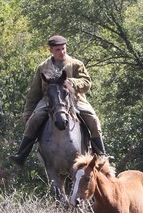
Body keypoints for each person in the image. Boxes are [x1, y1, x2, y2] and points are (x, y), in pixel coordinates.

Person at [10, 35, 106, 166]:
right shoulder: (43, 67)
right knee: (34, 119)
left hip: (74, 99)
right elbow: (34, 92)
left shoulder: (76, 64)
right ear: (51, 50)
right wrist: (28, 112)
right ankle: (21, 154)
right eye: (58, 49)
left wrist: (72, 83)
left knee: (93, 119)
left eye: (63, 48)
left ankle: (101, 154)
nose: (62, 52)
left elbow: (87, 83)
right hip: (49, 100)